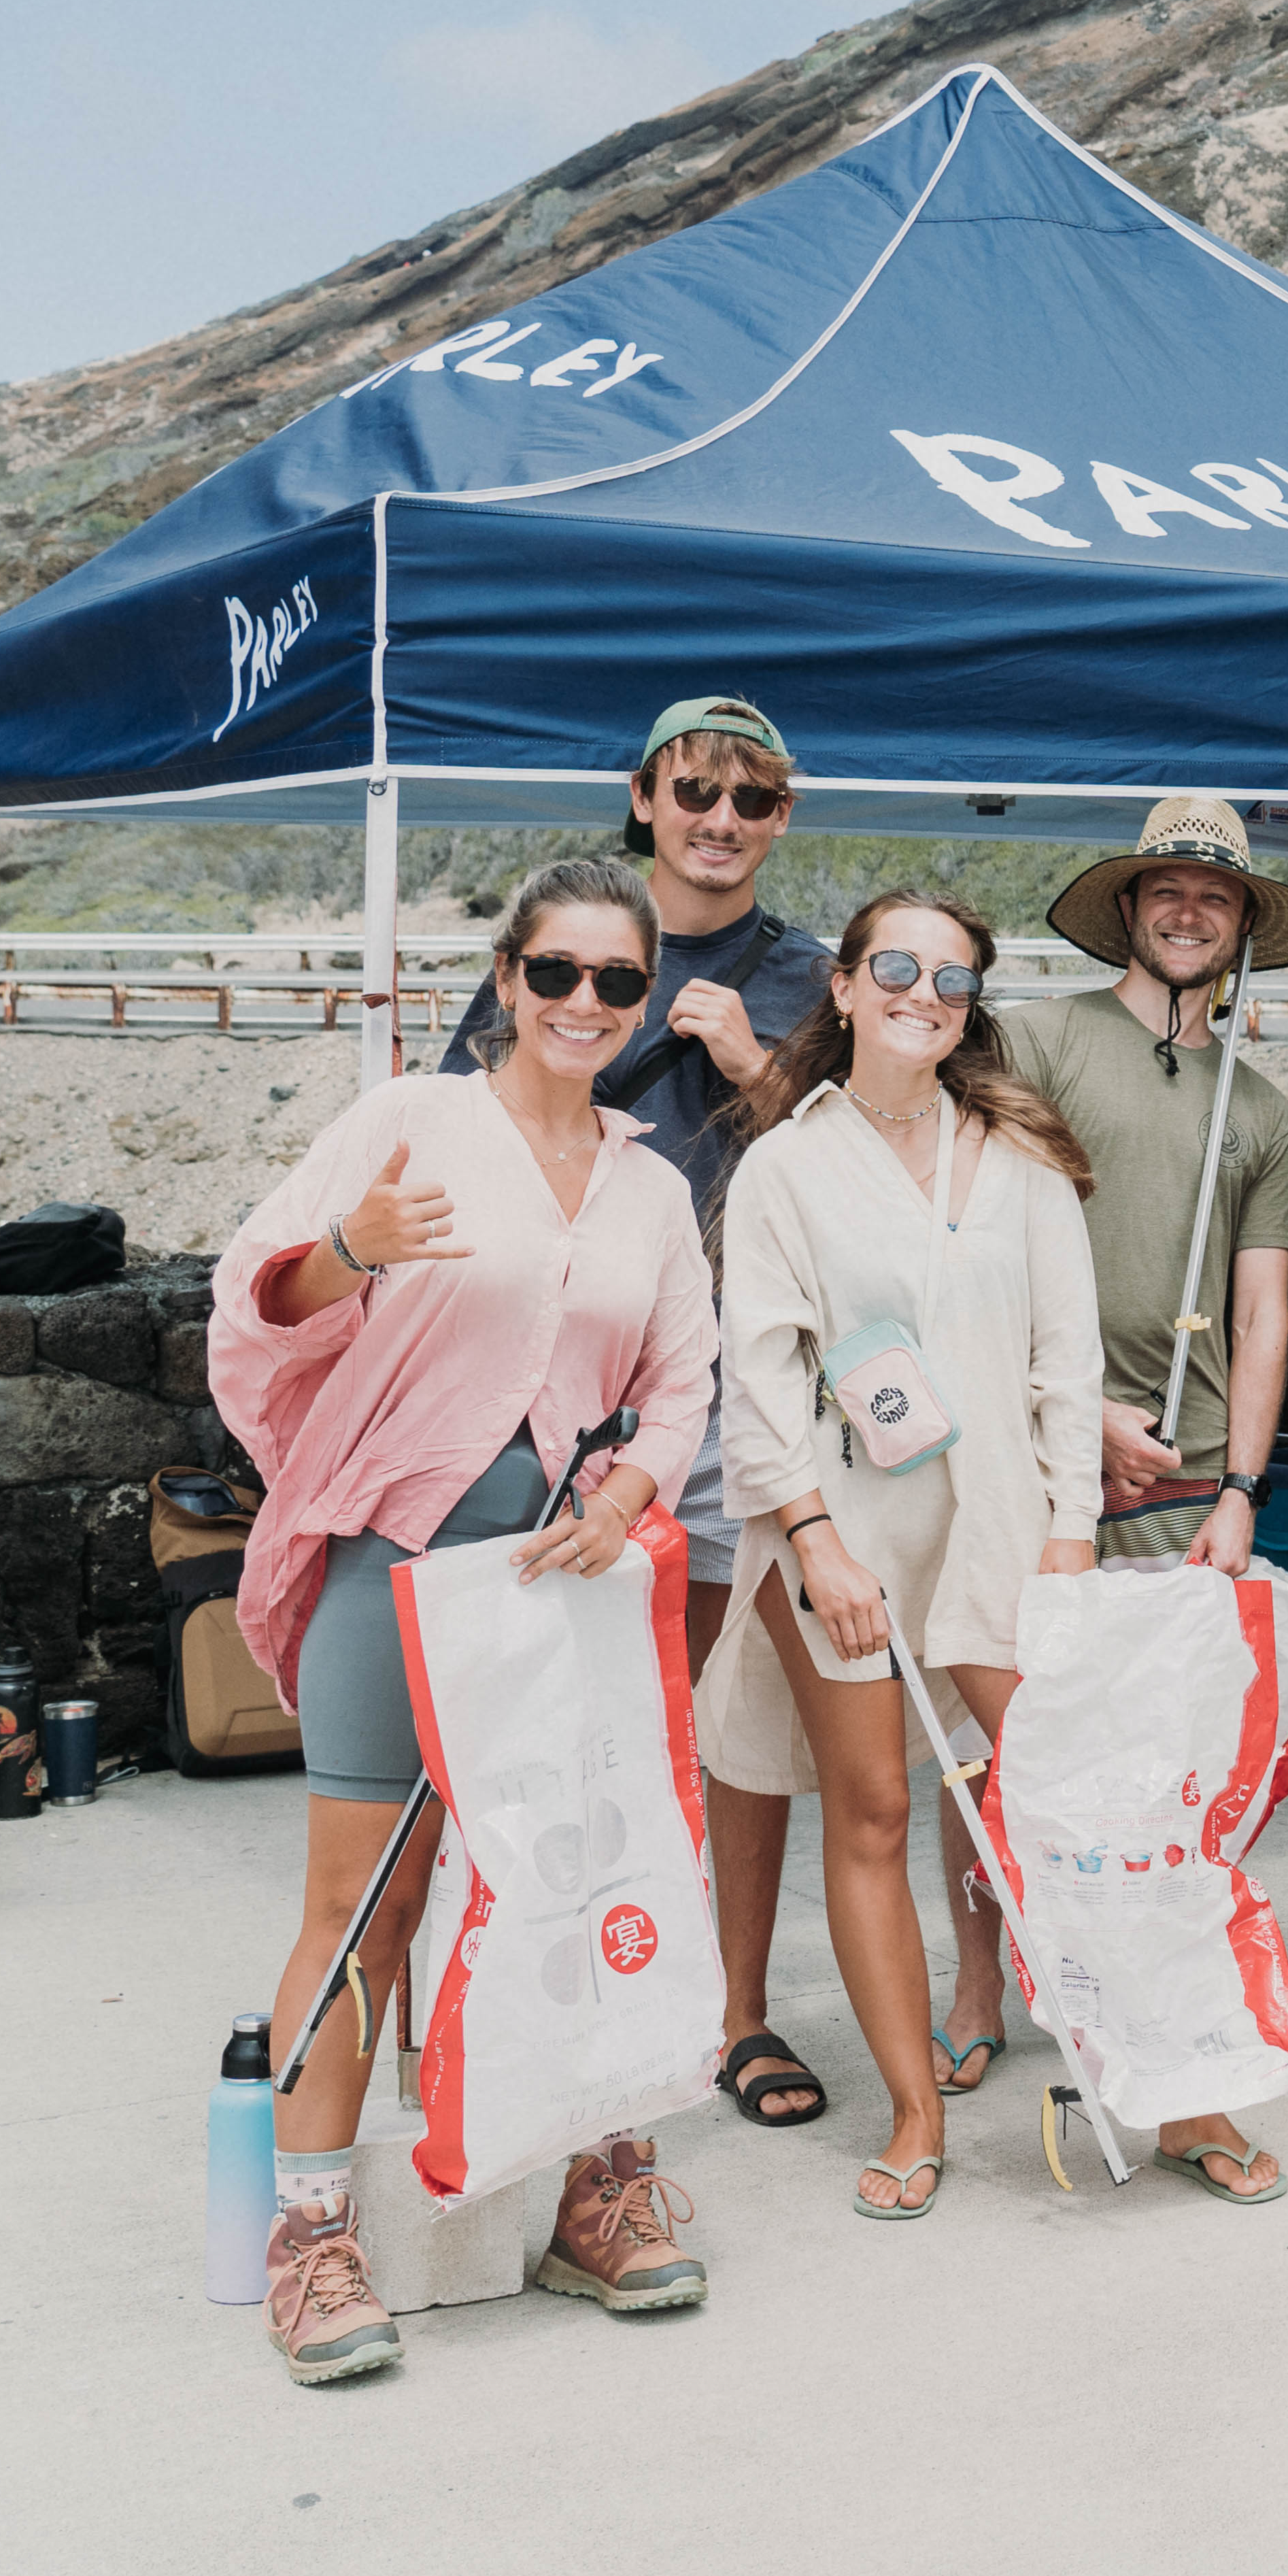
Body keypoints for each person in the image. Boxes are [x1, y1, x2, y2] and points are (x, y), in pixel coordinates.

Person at [211, 857, 719, 2383]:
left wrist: (634, 1491)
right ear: (505, 978)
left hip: (568, 1578)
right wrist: (354, 1247)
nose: (583, 1004)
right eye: (554, 972)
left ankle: (587, 2185)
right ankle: (314, 2230)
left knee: (577, 1883)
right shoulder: (409, 1123)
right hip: (401, 1556)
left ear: (641, 1002)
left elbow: (687, 1376)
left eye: (615, 982)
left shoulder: (652, 1182)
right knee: (364, 1903)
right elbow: (264, 1297)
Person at [445, 695, 836, 2138]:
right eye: (695, 791)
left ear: (783, 813)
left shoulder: (809, 975)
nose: (721, 819)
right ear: (646, 795)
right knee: (572, 1704)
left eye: (752, 797)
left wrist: (755, 1063)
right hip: (555, 1391)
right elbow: (460, 1123)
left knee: (733, 1712)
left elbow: (873, 1155)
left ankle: (730, 2006)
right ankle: (571, 1975)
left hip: (739, 1384)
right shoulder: (580, 941)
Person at [701, 891, 1106, 2222]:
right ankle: (915, 2108)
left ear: (970, 1000)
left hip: (1000, 1528)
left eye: (949, 976)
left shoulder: (1021, 1158)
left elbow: (1066, 1363)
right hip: (851, 1539)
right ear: (844, 983)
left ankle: (1170, 2083)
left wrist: (1070, 1533)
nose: (920, 992)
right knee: (871, 1809)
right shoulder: (784, 1167)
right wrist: (813, 1542)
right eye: (896, 966)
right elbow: (760, 1377)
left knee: (1063, 1807)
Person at [1004, 797, 1288, 1579]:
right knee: (1031, 1693)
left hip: (1189, 1470)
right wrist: (1080, 1411)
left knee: (1167, 1699)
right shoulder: (1035, 1040)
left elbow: (1261, 1313)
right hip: (1033, 1443)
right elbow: (974, 1252)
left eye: (1216, 896)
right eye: (1166, 891)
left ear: (1244, 923)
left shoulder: (1264, 1108)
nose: (1190, 913)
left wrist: (1242, 1491)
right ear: (1127, 906)